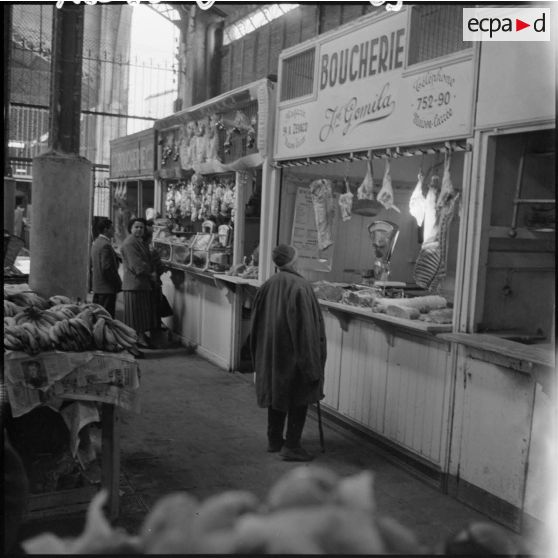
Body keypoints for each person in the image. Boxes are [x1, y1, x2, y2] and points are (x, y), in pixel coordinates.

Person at [249, 244, 327, 462]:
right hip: (294, 355)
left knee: (277, 396)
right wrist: (312, 364)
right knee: (298, 398)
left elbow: (255, 325)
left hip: (271, 353)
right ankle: (292, 446)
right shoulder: (300, 287)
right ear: (293, 260)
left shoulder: (268, 285)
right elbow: (306, 330)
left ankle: (274, 440)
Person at [120, 217, 158, 357]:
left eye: (142, 227)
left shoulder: (139, 242)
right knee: (133, 320)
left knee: (139, 319)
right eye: (136, 227)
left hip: (140, 285)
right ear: (130, 228)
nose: (139, 230)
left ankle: (138, 343)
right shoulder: (130, 243)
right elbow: (137, 266)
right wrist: (151, 272)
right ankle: (131, 348)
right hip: (134, 286)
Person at [90, 218, 122, 318]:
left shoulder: (97, 243)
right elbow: (107, 268)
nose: (114, 231)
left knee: (99, 317)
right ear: (105, 229)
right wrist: (117, 283)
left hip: (98, 287)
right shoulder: (105, 245)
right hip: (107, 289)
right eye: (112, 228)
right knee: (106, 318)